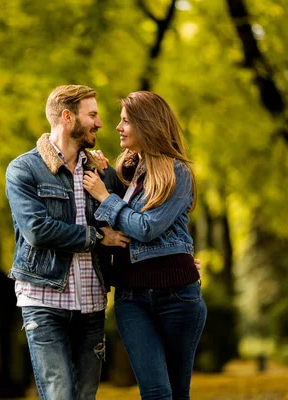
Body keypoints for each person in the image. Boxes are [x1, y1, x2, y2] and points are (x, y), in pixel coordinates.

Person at [4, 84, 130, 400]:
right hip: (44, 302)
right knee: (59, 395)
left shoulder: (101, 172)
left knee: (85, 396)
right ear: (67, 117)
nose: (100, 123)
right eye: (92, 115)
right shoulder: (25, 169)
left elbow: (131, 215)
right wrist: (97, 236)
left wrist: (177, 253)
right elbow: (37, 230)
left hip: (91, 304)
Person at [83, 91, 207, 400]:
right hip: (131, 298)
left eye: (125, 121)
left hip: (178, 295)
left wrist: (104, 196)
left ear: (146, 125)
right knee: (155, 393)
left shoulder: (177, 173)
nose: (117, 127)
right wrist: (105, 175)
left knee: (178, 393)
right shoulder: (128, 171)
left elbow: (147, 227)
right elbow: (116, 222)